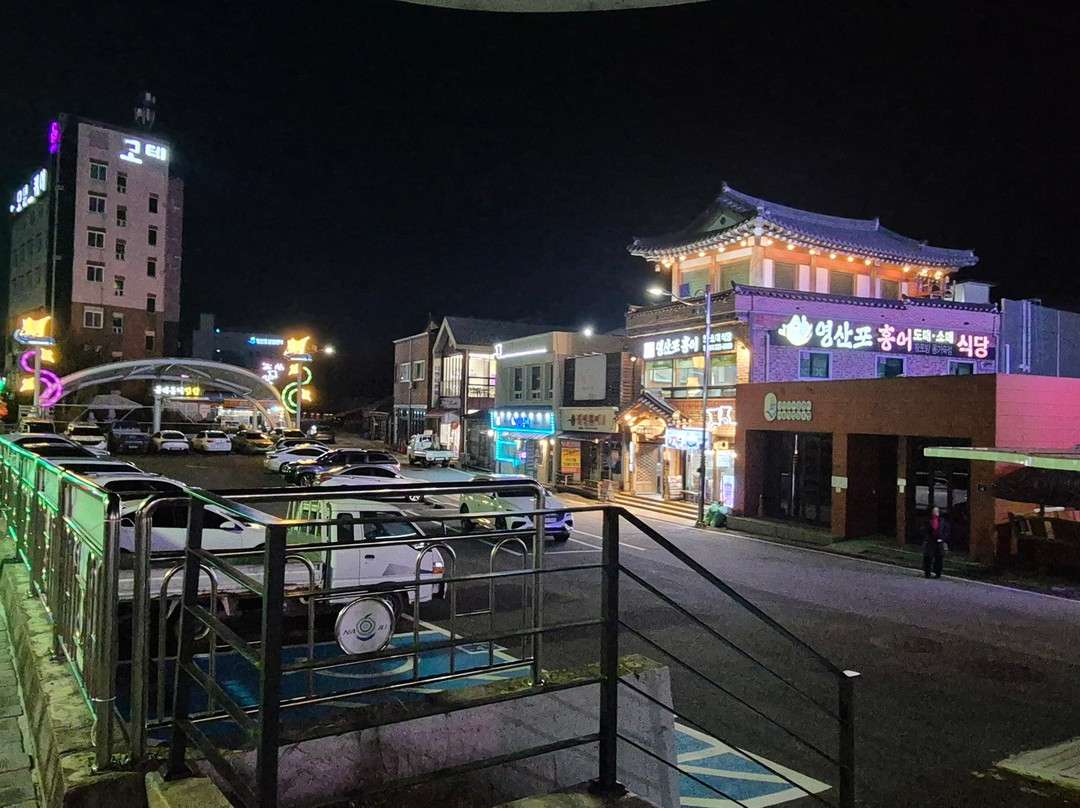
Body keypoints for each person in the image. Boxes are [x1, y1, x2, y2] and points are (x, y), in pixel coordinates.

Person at [922, 506, 949, 579]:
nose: (936, 513)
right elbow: (924, 530)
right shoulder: (928, 521)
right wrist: (927, 538)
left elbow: (946, 531)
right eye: (934, 511)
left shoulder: (942, 521)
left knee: (939, 558)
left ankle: (937, 573)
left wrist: (942, 538)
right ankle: (927, 573)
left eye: (937, 511)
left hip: (939, 542)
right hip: (930, 541)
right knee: (928, 557)